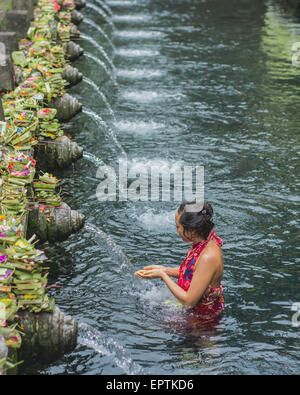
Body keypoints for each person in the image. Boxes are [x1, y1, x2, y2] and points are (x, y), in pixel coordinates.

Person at [134, 202, 225, 321]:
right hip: (194, 312)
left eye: (178, 227)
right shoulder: (205, 240)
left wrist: (163, 275)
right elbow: (194, 271)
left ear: (192, 230)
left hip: (204, 321)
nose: (176, 231)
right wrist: (165, 269)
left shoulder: (208, 257)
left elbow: (189, 301)